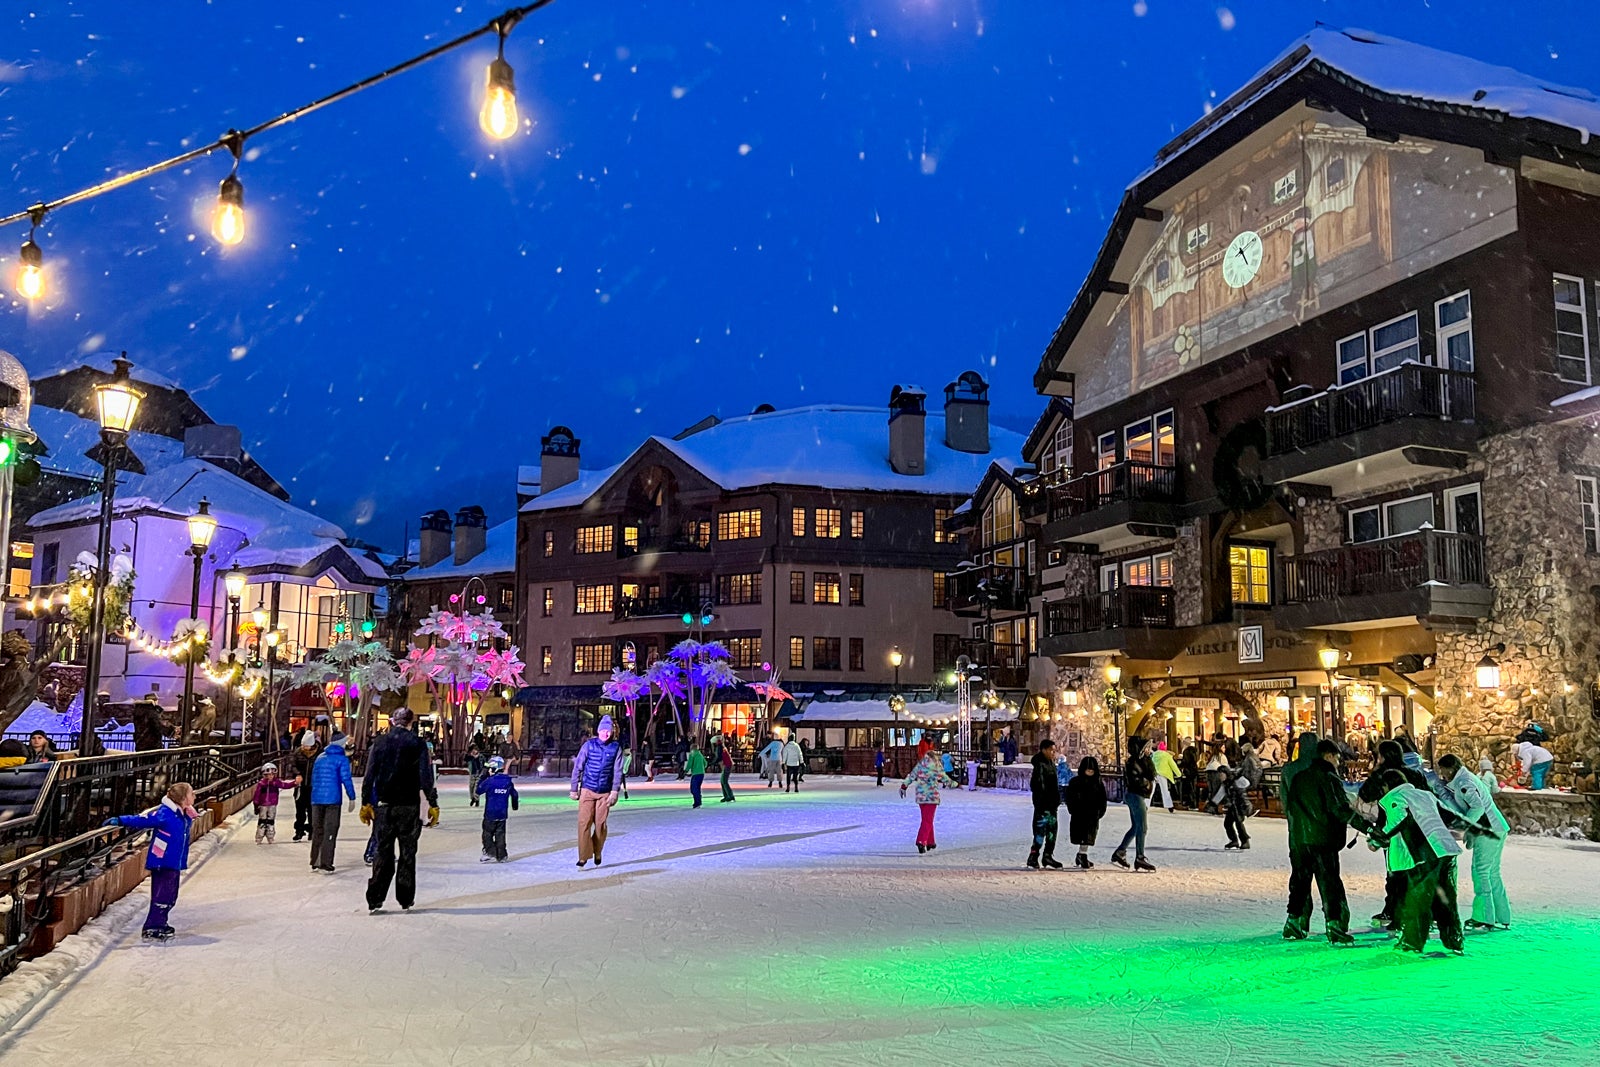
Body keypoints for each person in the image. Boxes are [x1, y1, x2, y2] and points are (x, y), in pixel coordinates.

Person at [1284, 739, 1374, 944]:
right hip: (1323, 839)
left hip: (1299, 839)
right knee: (1329, 883)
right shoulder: (1329, 778)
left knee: (1300, 881)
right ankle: (1335, 925)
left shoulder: (1299, 777)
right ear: (1328, 756)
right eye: (1337, 757)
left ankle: (1294, 922)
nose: (1338, 761)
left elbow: (1290, 806)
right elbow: (1340, 809)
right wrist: (1366, 826)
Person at [1369, 768, 1464, 954]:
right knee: (1445, 898)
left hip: (1424, 854)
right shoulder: (1425, 795)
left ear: (1387, 785)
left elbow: (1398, 819)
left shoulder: (1393, 797)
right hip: (1445, 849)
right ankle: (1454, 939)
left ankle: (1412, 942)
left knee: (1417, 898)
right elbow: (1448, 815)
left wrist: (1378, 838)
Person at [361, 709, 439, 914]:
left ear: (393, 721)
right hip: (408, 806)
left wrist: (366, 802)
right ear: (411, 722)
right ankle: (405, 898)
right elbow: (425, 775)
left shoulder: (380, 742)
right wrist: (432, 802)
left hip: (384, 806)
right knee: (407, 853)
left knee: (382, 852)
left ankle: (375, 897)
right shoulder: (417, 743)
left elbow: (369, 774)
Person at [104, 782, 198, 941]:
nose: (194, 796)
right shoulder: (166, 814)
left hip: (173, 862)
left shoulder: (183, 814)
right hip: (163, 862)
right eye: (191, 793)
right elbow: (142, 820)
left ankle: (161, 922)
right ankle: (152, 927)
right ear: (182, 798)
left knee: (170, 896)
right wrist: (120, 820)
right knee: (162, 896)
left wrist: (189, 813)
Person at [1358, 739, 1430, 929]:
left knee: (1394, 871)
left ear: (1381, 756)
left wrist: (1375, 772)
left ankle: (1394, 910)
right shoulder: (1415, 774)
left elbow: (1365, 795)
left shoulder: (1382, 775)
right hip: (1417, 829)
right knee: (1415, 870)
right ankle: (1419, 910)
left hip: (1391, 829)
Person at [1435, 753, 1511, 930]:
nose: (1442, 775)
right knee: (1492, 873)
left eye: (1443, 770)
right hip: (1497, 826)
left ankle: (1483, 917)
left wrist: (1464, 827)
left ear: (1450, 768)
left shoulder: (1464, 783)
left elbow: (1477, 806)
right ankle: (1501, 915)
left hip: (1488, 829)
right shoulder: (1466, 779)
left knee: (1481, 871)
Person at [569, 714, 623, 868]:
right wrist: (574, 788)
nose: (605, 734)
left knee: (600, 825)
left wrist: (614, 791)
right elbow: (578, 767)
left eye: (608, 731)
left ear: (611, 732)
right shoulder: (589, 745)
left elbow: (617, 771)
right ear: (598, 731)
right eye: (603, 731)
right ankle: (583, 856)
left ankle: (597, 851)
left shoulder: (615, 748)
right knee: (584, 823)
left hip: (605, 792)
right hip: (587, 789)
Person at [309, 731, 356, 872]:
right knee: (330, 830)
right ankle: (326, 863)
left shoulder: (320, 758)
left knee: (318, 830)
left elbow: (314, 779)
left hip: (316, 799)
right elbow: (346, 779)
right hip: (332, 800)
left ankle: (315, 860)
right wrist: (352, 797)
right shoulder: (341, 759)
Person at [900, 742, 958, 853]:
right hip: (932, 796)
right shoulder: (936, 765)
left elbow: (911, 776)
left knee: (927, 819)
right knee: (927, 820)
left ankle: (930, 842)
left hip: (921, 796)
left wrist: (904, 786)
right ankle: (921, 841)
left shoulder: (920, 764)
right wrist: (956, 784)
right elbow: (945, 779)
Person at [1111, 736, 1158, 872]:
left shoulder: (1142, 761)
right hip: (1136, 795)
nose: (1150, 751)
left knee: (1136, 827)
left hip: (1137, 795)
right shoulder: (1134, 763)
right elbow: (1138, 780)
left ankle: (1120, 851)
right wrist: (1147, 784)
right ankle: (1140, 856)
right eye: (1147, 748)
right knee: (1142, 827)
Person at [1064, 756, 1107, 868]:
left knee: (1088, 837)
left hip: (1092, 814)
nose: (1090, 773)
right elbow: (1069, 797)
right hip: (1079, 813)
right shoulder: (1076, 782)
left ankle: (1082, 854)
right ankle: (1082, 855)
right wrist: (1072, 809)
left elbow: (1102, 798)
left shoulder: (1098, 783)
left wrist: (1100, 811)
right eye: (1088, 770)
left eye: (1092, 771)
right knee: (1082, 835)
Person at [1026, 739, 1063, 869]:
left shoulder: (1050, 763)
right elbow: (1037, 785)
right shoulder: (1040, 765)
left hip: (1052, 804)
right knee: (1040, 831)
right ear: (1044, 750)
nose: (1053, 753)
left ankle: (1048, 856)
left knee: (1052, 831)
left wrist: (1057, 799)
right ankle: (1033, 856)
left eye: (1054, 750)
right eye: (1051, 750)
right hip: (1043, 804)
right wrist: (1042, 801)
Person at [476, 755, 519, 862]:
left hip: (490, 813)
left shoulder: (490, 781)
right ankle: (502, 855)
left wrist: (483, 777)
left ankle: (490, 852)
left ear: (493, 769)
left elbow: (478, 790)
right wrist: (515, 805)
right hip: (502, 814)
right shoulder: (507, 781)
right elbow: (514, 794)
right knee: (500, 834)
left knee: (487, 833)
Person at [1223, 742, 1261, 850]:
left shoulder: (1249, 760)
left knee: (1237, 822)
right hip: (1233, 804)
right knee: (1228, 823)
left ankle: (1243, 840)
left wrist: (1248, 808)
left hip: (1237, 804)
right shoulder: (1229, 783)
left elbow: (1250, 773)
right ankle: (1235, 840)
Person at [251, 761, 296, 844]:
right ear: (264, 775)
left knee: (271, 821)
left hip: (272, 805)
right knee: (262, 821)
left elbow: (285, 785)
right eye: (268, 775)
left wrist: (294, 783)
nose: (270, 776)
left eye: (272, 775)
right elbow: (257, 794)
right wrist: (256, 804)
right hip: (263, 805)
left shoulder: (276, 782)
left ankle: (270, 836)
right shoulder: (261, 784)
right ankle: (259, 837)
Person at [291, 730, 321, 842]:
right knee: (300, 810)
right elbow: (292, 765)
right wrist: (297, 774)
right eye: (303, 745)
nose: (303, 747)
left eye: (306, 745)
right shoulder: (298, 752)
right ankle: (299, 830)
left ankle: (312, 831)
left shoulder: (319, 754)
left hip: (314, 787)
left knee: (312, 810)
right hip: (301, 786)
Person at [1150, 743, 1178, 813]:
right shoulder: (1167, 755)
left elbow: (1150, 763)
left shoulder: (1154, 755)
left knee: (1151, 790)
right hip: (1162, 774)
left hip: (1154, 774)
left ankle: (1146, 805)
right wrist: (1179, 774)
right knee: (1165, 790)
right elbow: (1173, 765)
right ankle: (1169, 806)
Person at [685, 742, 707, 807]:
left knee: (693, 788)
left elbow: (690, 763)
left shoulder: (692, 754)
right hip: (701, 774)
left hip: (695, 773)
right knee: (697, 788)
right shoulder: (700, 754)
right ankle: (698, 801)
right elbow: (705, 763)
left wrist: (686, 770)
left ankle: (697, 802)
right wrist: (702, 768)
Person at [716, 739, 735, 803]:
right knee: (723, 781)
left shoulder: (720, 748)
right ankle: (727, 795)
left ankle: (729, 796)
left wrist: (712, 762)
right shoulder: (723, 748)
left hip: (726, 765)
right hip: (727, 765)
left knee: (724, 781)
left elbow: (719, 757)